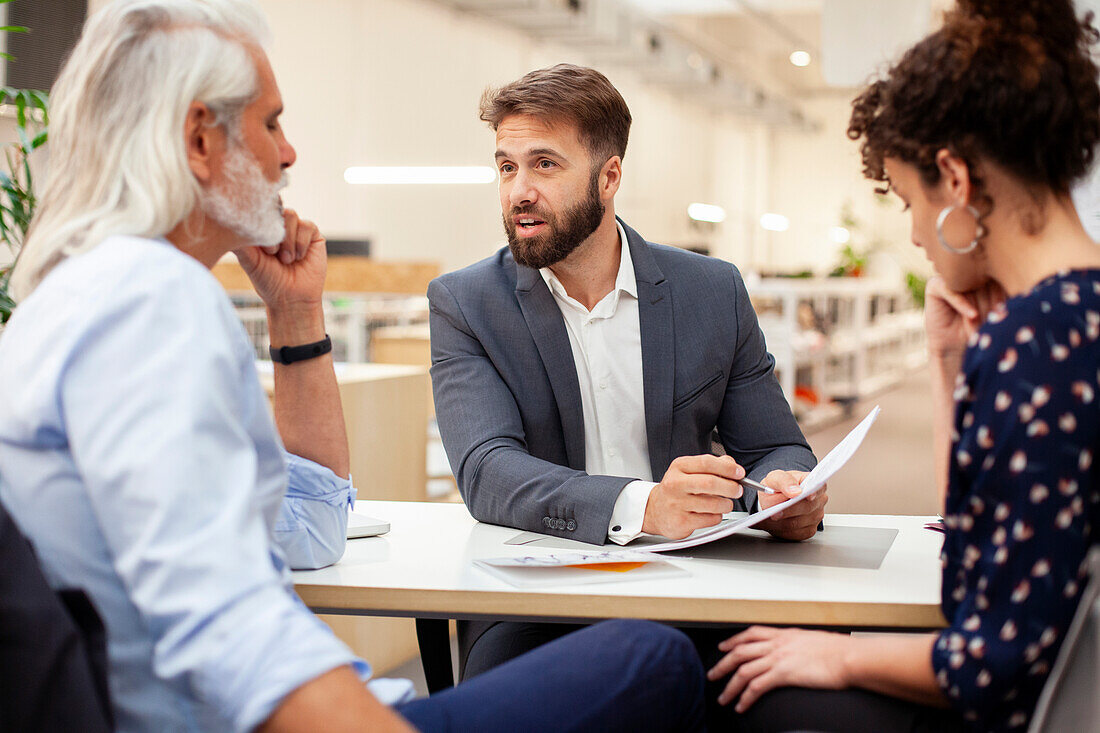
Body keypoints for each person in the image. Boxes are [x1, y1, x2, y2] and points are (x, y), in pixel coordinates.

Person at [0, 2, 707, 731]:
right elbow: (226, 632)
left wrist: (297, 317)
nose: (289, 154)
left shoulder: (78, 294)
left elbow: (309, 532)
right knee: (652, 657)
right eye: (272, 123)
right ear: (201, 139)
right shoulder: (150, 300)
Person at [704, 1, 1100, 730]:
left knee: (760, 692)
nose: (915, 231)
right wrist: (952, 360)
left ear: (954, 180)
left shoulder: (1032, 342)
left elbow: (986, 652)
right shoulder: (1074, 318)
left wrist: (839, 654)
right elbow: (984, 546)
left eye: (909, 198)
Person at [428, 64, 825, 679]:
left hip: (702, 586)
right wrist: (645, 508)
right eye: (507, 166)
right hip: (537, 604)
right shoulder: (467, 303)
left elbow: (775, 446)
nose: (518, 191)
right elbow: (487, 472)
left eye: (545, 164)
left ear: (609, 176)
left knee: (804, 694)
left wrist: (786, 494)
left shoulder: (710, 290)